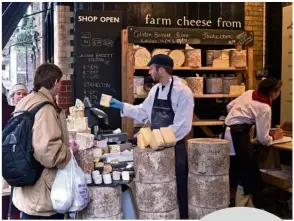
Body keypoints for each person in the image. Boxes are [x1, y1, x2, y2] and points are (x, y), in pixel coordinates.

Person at [110, 54, 194, 219]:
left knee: (177, 186)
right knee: (159, 190)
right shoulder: (156, 90)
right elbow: (142, 112)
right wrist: (122, 106)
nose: (149, 72)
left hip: (174, 148)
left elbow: (182, 126)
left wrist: (160, 138)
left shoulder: (183, 92)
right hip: (155, 148)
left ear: (161, 70)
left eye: (151, 68)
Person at [12, 63, 78, 219]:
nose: (61, 85)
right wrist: (68, 152)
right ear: (55, 82)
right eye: (60, 82)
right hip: (41, 194)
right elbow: (48, 152)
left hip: (26, 186)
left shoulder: (26, 101)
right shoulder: (45, 108)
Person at [222, 77, 283, 208]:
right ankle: (241, 207)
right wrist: (274, 137)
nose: (279, 94)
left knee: (243, 170)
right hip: (237, 136)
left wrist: (241, 119)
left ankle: (248, 204)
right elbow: (263, 139)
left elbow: (229, 106)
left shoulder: (249, 92)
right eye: (278, 91)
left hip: (227, 132)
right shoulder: (264, 107)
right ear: (272, 92)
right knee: (248, 172)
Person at [2, 84, 21, 219]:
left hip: (19, 157)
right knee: (5, 191)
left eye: (24, 94)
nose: (21, 97)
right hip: (8, 155)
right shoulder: (8, 111)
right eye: (18, 93)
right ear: (12, 96)